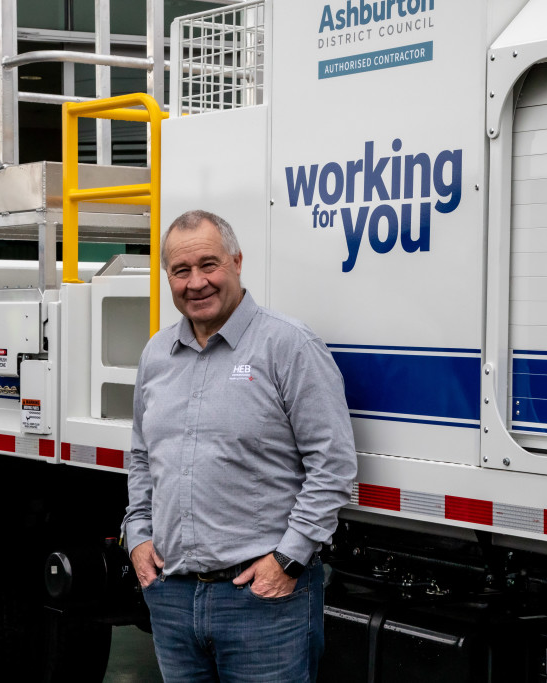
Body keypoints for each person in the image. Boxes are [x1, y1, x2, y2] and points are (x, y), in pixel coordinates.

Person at [122, 209, 357, 682]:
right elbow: (143, 456)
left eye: (208, 265)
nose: (196, 283)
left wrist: (287, 559)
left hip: (262, 602)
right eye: (181, 270)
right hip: (172, 598)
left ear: (236, 262)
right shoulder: (156, 354)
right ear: (167, 276)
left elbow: (332, 465)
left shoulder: (289, 346)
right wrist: (139, 536)